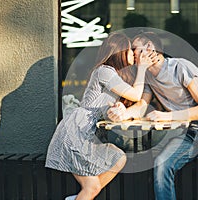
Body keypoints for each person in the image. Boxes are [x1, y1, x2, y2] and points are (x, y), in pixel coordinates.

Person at [107, 31, 198, 200]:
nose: (132, 52)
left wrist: (167, 117)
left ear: (149, 47)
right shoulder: (147, 76)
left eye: (135, 48)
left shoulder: (180, 67)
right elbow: (141, 105)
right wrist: (122, 113)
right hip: (189, 133)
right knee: (161, 164)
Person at [45, 32, 158, 200]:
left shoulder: (113, 75)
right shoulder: (104, 71)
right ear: (119, 52)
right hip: (77, 132)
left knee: (117, 159)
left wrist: (117, 108)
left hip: (87, 131)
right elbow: (135, 94)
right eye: (129, 50)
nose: (134, 54)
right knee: (92, 188)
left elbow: (106, 106)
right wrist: (141, 69)